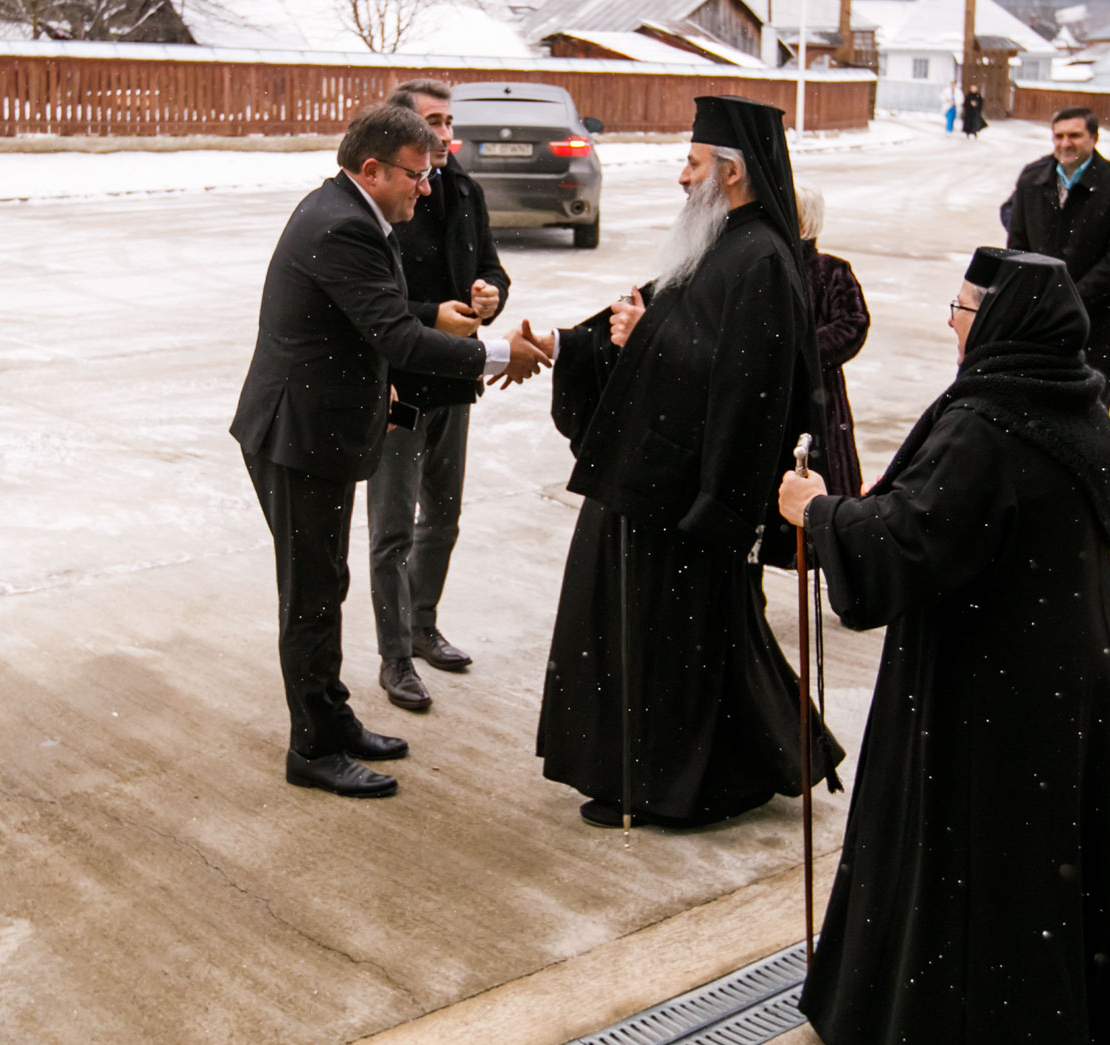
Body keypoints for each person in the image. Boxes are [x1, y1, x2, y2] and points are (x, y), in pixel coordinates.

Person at [779, 247, 1110, 1045]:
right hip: (1062, 676)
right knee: (1039, 861)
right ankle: (1047, 1025)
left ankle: (964, 1043)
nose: (951, 320)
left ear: (1001, 323)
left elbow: (913, 542)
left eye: (963, 307)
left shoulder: (987, 423)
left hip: (987, 686)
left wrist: (820, 513)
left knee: (976, 859)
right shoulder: (1076, 406)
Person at [525, 95, 842, 828]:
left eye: (691, 163)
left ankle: (683, 789)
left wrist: (645, 345)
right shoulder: (723, 240)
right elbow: (677, 332)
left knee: (677, 649)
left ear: (729, 175)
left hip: (693, 497)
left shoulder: (760, 256)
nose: (680, 177)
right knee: (672, 639)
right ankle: (676, 771)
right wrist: (577, 346)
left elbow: (748, 389)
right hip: (656, 483)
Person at [230, 105, 540, 799]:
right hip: (297, 436)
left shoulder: (349, 211)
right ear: (372, 169)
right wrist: (497, 352)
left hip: (318, 431)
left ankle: (333, 720)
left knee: (325, 586)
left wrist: (435, 316)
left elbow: (377, 314)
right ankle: (312, 748)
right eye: (416, 175)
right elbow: (394, 338)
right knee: (310, 595)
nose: (425, 189)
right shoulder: (342, 224)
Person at [366, 80, 512, 714]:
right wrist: (436, 314)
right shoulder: (385, 199)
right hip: (397, 381)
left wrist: (490, 294)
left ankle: (423, 626)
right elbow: (376, 304)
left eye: (449, 120)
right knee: (392, 528)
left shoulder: (466, 191)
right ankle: (394, 656)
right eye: (433, 121)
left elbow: (494, 266)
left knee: (443, 517)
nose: (446, 133)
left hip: (454, 379)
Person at [1004, 106, 1110, 405]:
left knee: (1090, 419)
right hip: (1042, 325)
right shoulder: (1034, 180)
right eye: (1058, 136)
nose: (1065, 144)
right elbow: (1017, 247)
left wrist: (1072, 297)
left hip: (1099, 326)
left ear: (1094, 138)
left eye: (1075, 135)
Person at [797, 185, 869, 495]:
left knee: (825, 482)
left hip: (821, 401)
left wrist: (801, 351)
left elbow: (853, 324)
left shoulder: (832, 271)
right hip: (774, 398)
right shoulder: (763, 267)